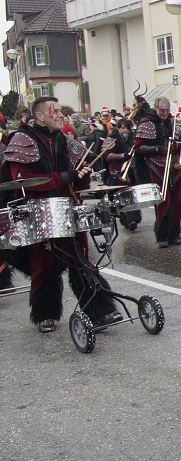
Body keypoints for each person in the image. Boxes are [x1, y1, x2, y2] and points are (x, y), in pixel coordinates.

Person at [0, 97, 121, 332]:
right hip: (40, 213)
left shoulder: (66, 141)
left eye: (59, 110)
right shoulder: (21, 140)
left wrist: (82, 174)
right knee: (45, 263)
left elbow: (80, 178)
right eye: (53, 111)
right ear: (39, 117)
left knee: (81, 259)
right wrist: (66, 177)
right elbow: (23, 179)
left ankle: (101, 310)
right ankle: (45, 313)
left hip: (70, 208)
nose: (59, 114)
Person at [134, 97, 181, 247]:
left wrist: (176, 147)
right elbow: (138, 147)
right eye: (161, 110)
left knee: (176, 201)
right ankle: (162, 234)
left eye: (166, 110)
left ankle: (175, 233)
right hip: (156, 165)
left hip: (175, 165)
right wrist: (158, 149)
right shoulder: (147, 123)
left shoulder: (174, 122)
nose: (164, 113)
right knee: (162, 200)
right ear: (156, 108)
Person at [103, 118, 141, 231]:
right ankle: (128, 219)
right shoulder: (111, 138)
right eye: (120, 127)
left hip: (131, 170)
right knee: (122, 195)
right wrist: (122, 156)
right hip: (118, 170)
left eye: (125, 128)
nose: (122, 130)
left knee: (132, 195)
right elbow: (107, 155)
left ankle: (132, 218)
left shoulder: (134, 138)